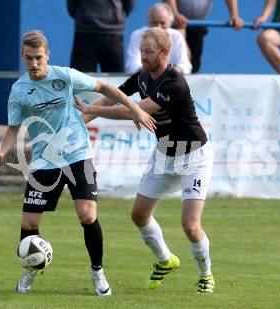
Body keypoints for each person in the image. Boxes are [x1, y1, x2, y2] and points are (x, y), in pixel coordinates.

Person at [0, 30, 156, 296]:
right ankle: (30, 268)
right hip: (44, 162)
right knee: (29, 223)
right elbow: (13, 128)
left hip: (78, 155)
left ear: (47, 55)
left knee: (87, 215)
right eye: (29, 58)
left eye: (39, 57)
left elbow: (106, 88)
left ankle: (98, 272)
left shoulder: (64, 76)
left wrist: (135, 109)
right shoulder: (19, 90)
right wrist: (1, 152)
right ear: (22, 57)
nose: (34, 63)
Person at [75, 27, 215, 293]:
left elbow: (135, 111)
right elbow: (115, 95)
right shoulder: (142, 76)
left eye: (149, 52)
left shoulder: (174, 83)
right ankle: (166, 260)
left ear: (165, 52)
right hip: (164, 154)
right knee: (139, 215)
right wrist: (83, 120)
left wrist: (93, 109)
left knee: (190, 225)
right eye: (141, 51)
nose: (143, 57)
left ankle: (206, 275)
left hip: (194, 156)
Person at [164, 0, 244, 73]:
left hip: (197, 26)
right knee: (176, 63)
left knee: (193, 67)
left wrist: (234, 15)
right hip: (174, 23)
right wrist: (175, 15)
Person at [66, 0, 135, 73]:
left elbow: (129, 3)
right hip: (84, 34)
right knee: (79, 80)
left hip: (113, 35)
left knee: (116, 81)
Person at [126, 3, 192, 75]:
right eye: (154, 22)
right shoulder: (137, 35)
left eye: (163, 23)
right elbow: (132, 66)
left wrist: (167, 72)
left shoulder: (176, 36)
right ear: (149, 21)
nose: (158, 27)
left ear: (170, 23)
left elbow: (185, 65)